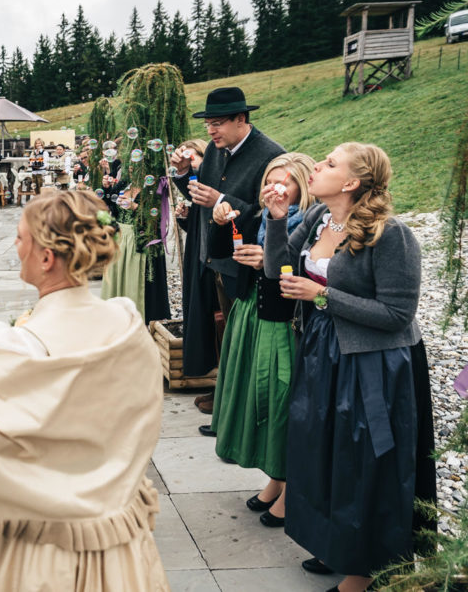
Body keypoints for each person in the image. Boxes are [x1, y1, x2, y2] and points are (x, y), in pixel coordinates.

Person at [0, 191, 168, 591]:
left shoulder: (19, 346)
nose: (15, 247)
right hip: (120, 551)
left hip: (35, 559)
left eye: (20, 238)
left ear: (47, 258)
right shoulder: (128, 324)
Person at [262, 143, 435, 592]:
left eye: (330, 163)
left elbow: (397, 314)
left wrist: (320, 295)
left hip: (375, 363)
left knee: (365, 463)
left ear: (352, 183)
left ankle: (366, 570)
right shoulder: (320, 218)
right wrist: (278, 220)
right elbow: (275, 269)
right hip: (324, 349)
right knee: (324, 452)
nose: (316, 166)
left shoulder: (390, 233)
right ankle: (338, 545)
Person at [203, 153, 316, 531]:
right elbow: (222, 250)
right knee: (257, 397)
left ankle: (292, 484)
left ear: (303, 185)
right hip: (254, 311)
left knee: (279, 398)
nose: (275, 187)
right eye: (270, 179)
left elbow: (296, 271)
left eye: (285, 180)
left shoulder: (311, 222)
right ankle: (277, 478)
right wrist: (221, 224)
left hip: (285, 320)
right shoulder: (259, 213)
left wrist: (263, 262)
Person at [170, 87, 285, 413]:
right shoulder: (218, 149)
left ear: (241, 119)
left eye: (218, 123)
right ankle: (226, 392)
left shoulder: (270, 156)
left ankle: (239, 407)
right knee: (224, 333)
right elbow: (202, 195)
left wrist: (221, 202)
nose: (210, 131)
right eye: (208, 124)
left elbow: (272, 212)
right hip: (215, 258)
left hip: (246, 263)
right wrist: (184, 176)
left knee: (243, 335)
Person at [100, 177, 171, 323]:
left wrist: (134, 206)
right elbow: (111, 206)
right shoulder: (124, 182)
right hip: (121, 240)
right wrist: (106, 188)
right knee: (118, 280)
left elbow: (156, 217)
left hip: (138, 242)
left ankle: (137, 319)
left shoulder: (155, 185)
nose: (131, 167)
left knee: (136, 283)